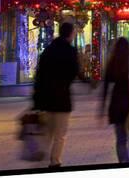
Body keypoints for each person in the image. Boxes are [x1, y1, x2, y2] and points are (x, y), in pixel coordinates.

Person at [32, 22, 79, 168]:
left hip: (46, 99)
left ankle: (42, 156)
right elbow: (73, 73)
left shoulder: (48, 50)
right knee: (60, 134)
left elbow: (39, 76)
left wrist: (36, 99)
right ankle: (55, 161)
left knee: (47, 132)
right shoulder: (70, 51)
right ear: (70, 33)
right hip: (62, 99)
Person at [101, 37, 129, 163]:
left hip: (117, 105)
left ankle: (123, 161)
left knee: (121, 140)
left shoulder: (113, 61)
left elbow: (105, 86)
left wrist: (102, 108)